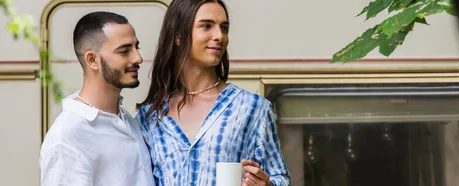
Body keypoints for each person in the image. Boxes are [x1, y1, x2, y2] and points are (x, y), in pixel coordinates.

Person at [134, 0, 290, 185]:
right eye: (206, 26)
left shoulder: (253, 108)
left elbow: (281, 178)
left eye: (224, 28)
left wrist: (268, 184)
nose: (219, 36)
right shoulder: (149, 117)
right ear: (178, 36)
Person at [39, 11, 154, 186]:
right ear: (92, 60)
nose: (138, 58)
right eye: (124, 51)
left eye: (136, 47)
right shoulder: (67, 137)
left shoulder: (125, 120)